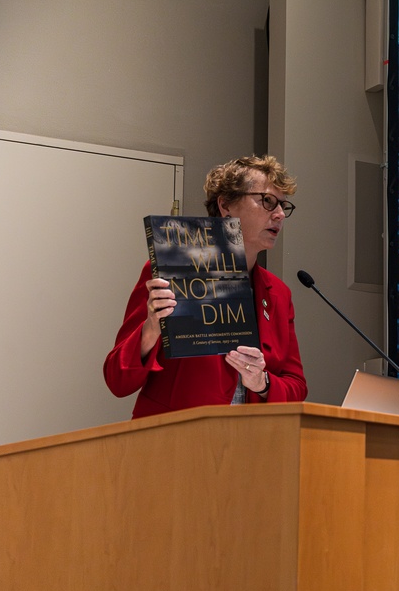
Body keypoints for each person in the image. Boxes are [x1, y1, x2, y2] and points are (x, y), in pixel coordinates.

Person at [104, 155, 308, 418]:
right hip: (173, 443)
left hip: (251, 445)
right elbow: (117, 381)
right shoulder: (169, 272)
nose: (279, 214)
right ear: (225, 205)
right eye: (267, 201)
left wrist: (263, 383)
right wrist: (151, 329)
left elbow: (297, 386)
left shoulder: (278, 293)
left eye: (283, 206)